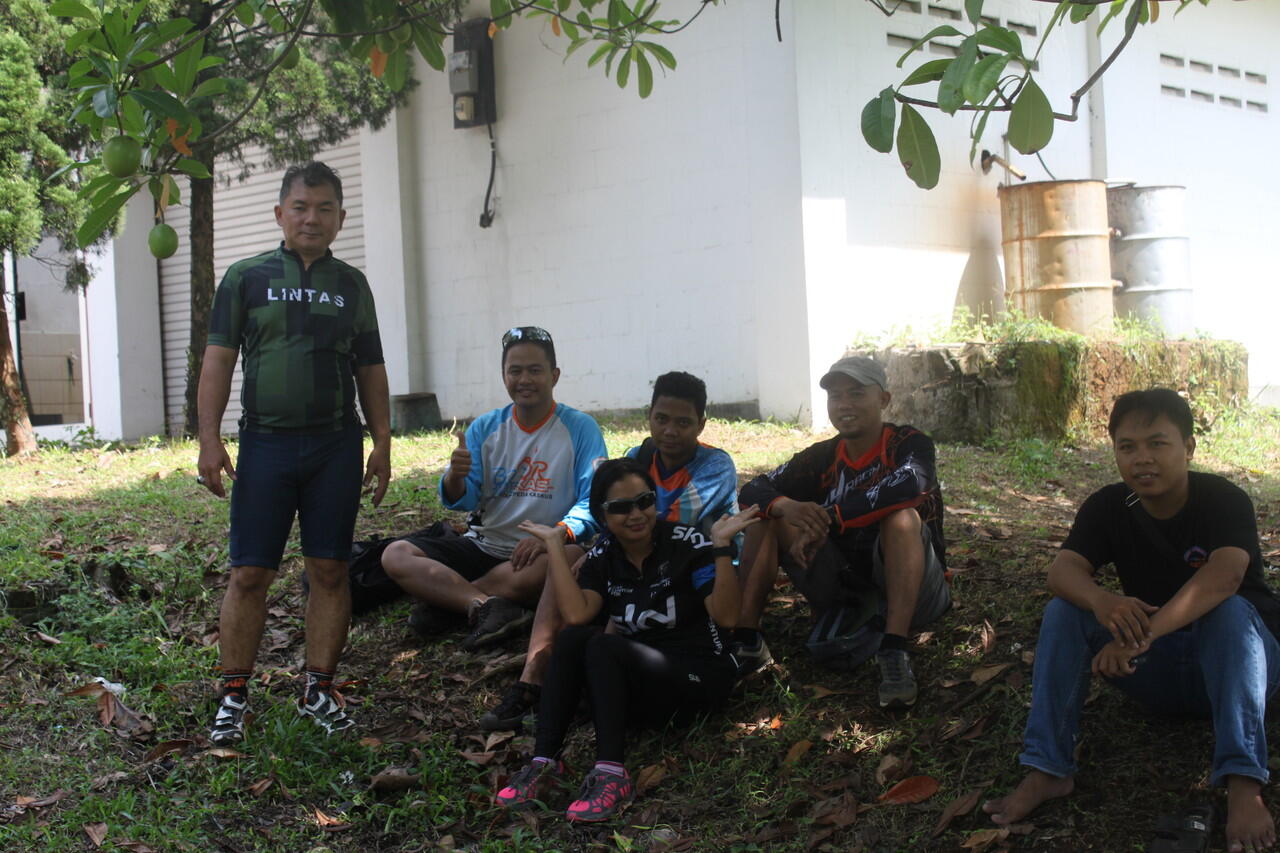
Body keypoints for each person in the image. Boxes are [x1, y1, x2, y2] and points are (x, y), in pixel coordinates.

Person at [983, 389, 1280, 853]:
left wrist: (1141, 636)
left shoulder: (1223, 499)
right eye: (1128, 446)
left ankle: (1244, 782)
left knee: (1231, 611)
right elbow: (1062, 572)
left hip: (1239, 669)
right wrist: (1102, 601)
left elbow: (1226, 576)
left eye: (1158, 444)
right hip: (1156, 672)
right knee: (1064, 610)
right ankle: (1048, 770)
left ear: (1189, 447)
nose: (1143, 459)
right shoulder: (1109, 506)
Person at [197, 161, 391, 744]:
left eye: (325, 208)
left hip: (336, 444)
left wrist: (382, 441)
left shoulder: (352, 284)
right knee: (250, 572)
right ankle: (234, 695)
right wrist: (209, 438)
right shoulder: (245, 277)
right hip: (265, 445)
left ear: (340, 217)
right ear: (280, 213)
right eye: (301, 207)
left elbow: (371, 367)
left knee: (329, 569)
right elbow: (218, 361)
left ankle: (319, 689)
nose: (312, 218)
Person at [494, 458, 761, 822]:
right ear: (602, 516)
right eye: (621, 507)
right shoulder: (604, 557)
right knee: (575, 639)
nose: (636, 514)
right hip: (643, 685)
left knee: (603, 645)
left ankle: (611, 773)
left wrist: (721, 548)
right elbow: (576, 614)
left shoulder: (687, 543)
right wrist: (557, 548)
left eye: (645, 501)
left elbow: (727, 617)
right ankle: (544, 765)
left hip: (699, 679)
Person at [480, 371, 739, 731]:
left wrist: (603, 546)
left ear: (701, 424)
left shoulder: (715, 465)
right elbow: (601, 508)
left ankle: (594, 686)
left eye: (684, 422)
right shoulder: (638, 457)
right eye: (661, 419)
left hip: (691, 578)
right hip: (639, 562)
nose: (670, 431)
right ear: (648, 417)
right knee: (567, 559)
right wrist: (575, 537)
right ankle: (533, 676)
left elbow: (663, 522)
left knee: (602, 570)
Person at [734, 355, 949, 709]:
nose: (844, 405)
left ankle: (894, 651)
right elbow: (753, 490)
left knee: (902, 519)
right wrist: (790, 508)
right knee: (766, 515)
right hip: (847, 588)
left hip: (919, 589)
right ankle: (747, 640)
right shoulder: (822, 456)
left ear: (883, 400)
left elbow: (913, 484)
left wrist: (830, 517)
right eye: (835, 396)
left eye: (856, 393)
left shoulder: (909, 444)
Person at [381, 326, 607, 651]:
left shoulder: (580, 428)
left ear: (554, 375)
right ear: (504, 376)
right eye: (515, 371)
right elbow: (466, 498)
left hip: (539, 552)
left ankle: (451, 601)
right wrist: (455, 478)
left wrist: (555, 534)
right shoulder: (486, 427)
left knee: (570, 558)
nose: (524, 380)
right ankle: (486, 604)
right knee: (396, 554)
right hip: (483, 546)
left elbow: (594, 499)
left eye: (534, 370)